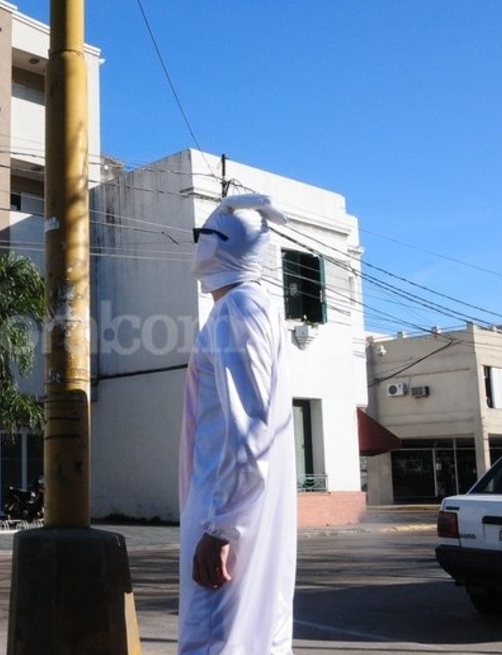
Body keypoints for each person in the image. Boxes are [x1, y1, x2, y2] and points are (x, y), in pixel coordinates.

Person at [179, 194, 297, 654]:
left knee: (216, 638)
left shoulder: (238, 311)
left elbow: (249, 431)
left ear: (219, 244)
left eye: (203, 235)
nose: (198, 244)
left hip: (225, 516)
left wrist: (221, 529)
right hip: (238, 513)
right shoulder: (253, 307)